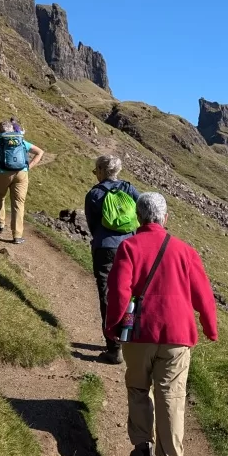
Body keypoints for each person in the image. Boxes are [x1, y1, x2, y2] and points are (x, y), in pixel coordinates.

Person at [104, 193, 218, 456]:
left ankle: (142, 447)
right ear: (165, 218)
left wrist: (113, 327)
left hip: (139, 333)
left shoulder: (128, 247)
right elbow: (203, 295)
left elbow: (118, 292)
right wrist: (209, 326)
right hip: (177, 336)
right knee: (171, 399)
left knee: (139, 388)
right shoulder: (184, 250)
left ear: (139, 218)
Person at [84, 155, 141, 364]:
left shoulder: (94, 194)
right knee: (130, 294)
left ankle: (113, 347)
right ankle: (129, 337)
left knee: (107, 296)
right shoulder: (129, 189)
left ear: (100, 170)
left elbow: (91, 225)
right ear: (117, 170)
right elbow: (143, 213)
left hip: (104, 248)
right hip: (130, 248)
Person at [0, 120, 44, 244]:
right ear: (12, 129)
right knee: (18, 203)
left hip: (1, 173)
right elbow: (40, 152)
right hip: (21, 173)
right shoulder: (20, 139)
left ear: (0, 130)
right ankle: (17, 235)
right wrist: (28, 167)